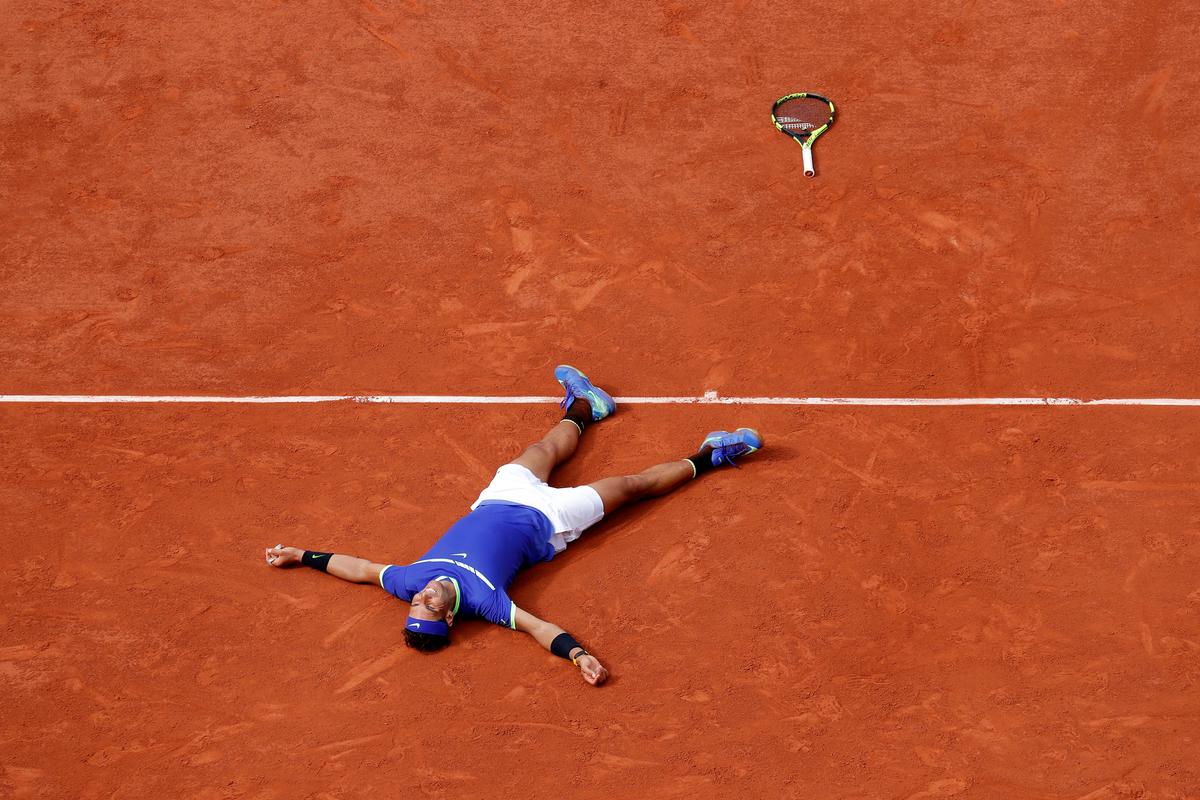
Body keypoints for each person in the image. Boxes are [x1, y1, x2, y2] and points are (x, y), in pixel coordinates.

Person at [264, 365, 763, 686]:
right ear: (451, 618)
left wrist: (301, 555)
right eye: (430, 608)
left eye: (417, 604)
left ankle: (587, 407)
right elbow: (539, 628)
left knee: (542, 451)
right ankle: (715, 455)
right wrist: (578, 656)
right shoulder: (486, 603)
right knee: (630, 486)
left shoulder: (409, 581)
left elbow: (360, 569)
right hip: (552, 521)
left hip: (497, 500)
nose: (424, 598)